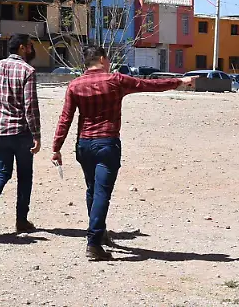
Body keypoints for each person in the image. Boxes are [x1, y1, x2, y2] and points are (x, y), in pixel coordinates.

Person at [52, 46, 196, 260]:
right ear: (102, 59)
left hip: (84, 144)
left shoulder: (75, 85)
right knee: (101, 193)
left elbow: (66, 118)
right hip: (106, 143)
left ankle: (99, 235)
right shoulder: (115, 80)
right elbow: (148, 85)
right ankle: (93, 243)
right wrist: (179, 82)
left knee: (92, 189)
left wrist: (56, 147)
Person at [0, 34, 41, 233]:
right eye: (30, 46)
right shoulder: (27, 71)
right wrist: (37, 134)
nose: (31, 50)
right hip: (21, 132)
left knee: (2, 171)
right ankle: (21, 220)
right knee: (25, 176)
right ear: (22, 47)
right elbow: (30, 106)